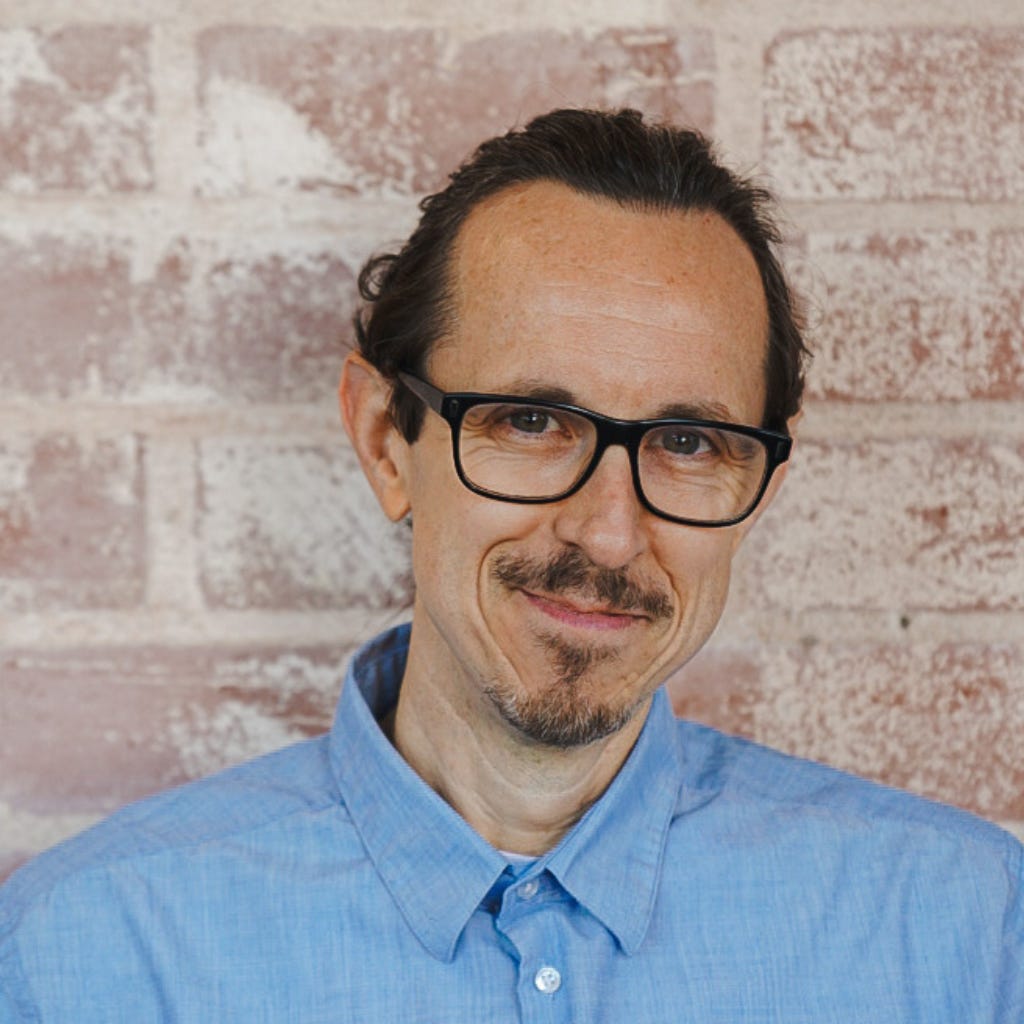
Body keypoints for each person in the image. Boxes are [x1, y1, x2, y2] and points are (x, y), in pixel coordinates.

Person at [0, 108, 1019, 1022]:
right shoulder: (93, 954)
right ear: (385, 442)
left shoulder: (962, 934)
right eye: (531, 422)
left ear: (759, 486)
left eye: (689, 443)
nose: (609, 535)